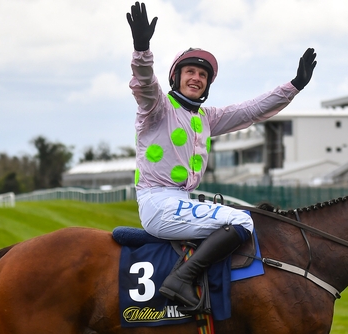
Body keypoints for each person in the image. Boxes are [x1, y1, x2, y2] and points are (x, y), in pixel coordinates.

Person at [126, 2, 316, 313]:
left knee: (243, 215)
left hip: (180, 200)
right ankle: (180, 280)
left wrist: (294, 87)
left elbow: (251, 110)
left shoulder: (206, 117)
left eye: (202, 75)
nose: (196, 78)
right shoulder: (158, 107)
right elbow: (144, 83)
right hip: (158, 203)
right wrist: (142, 50)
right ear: (176, 77)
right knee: (241, 221)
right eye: (190, 72)